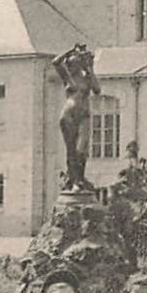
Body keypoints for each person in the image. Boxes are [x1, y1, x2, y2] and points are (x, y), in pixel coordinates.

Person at [52, 43, 101, 192]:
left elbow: (97, 90)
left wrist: (90, 68)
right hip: (68, 115)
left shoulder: (87, 77)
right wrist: (71, 50)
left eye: (78, 61)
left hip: (83, 115)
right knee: (71, 150)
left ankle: (79, 178)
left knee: (82, 148)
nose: (75, 64)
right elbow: (55, 62)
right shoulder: (68, 77)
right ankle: (75, 180)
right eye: (73, 62)